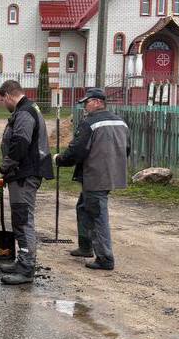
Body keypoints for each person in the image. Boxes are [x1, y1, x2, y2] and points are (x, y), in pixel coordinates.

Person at [56, 88, 130, 271]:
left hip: (96, 175)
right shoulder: (120, 122)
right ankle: (85, 246)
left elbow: (77, 150)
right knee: (83, 207)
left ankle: (105, 258)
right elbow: (127, 148)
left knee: (97, 214)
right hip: (113, 173)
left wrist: (60, 160)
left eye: (87, 102)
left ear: (97, 102)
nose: (85, 106)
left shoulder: (90, 123)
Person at [0, 79, 54, 285]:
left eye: (3, 100)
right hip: (22, 173)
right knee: (20, 218)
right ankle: (22, 262)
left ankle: (26, 269)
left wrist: (3, 169)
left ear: (8, 95)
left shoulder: (25, 112)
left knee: (23, 219)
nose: (3, 104)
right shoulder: (28, 109)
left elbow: (21, 143)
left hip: (25, 174)